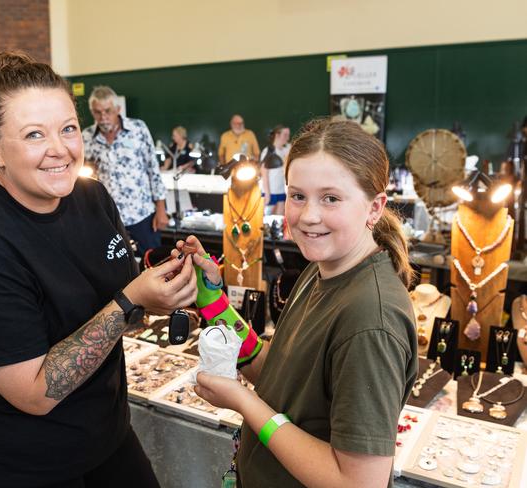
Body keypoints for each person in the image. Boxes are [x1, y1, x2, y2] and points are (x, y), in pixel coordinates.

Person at [0, 51, 198, 488]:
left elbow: (128, 313)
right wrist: (131, 299)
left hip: (105, 439)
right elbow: (37, 393)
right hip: (12, 466)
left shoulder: (91, 198)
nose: (60, 150)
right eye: (34, 134)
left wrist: (176, 285)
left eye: (68, 128)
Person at [181, 118, 418, 487]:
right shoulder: (323, 265)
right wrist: (212, 301)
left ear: (374, 207)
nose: (308, 217)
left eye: (331, 198)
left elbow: (359, 483)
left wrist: (245, 403)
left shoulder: (371, 319)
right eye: (297, 195)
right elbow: (278, 373)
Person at [82, 86, 168, 256]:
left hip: (141, 214)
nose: (103, 117)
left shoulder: (138, 129)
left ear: (118, 109)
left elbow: (153, 169)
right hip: (105, 217)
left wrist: (161, 209)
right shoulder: (86, 137)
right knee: (113, 268)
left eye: (108, 111)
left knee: (153, 264)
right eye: (97, 112)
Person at [260, 124, 290, 215]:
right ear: (277, 135)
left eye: (288, 135)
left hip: (281, 190)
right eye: (285, 135)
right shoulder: (269, 150)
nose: (287, 138)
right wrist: (267, 194)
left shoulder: (286, 150)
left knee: (279, 220)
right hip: (270, 191)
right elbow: (264, 173)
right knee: (267, 220)